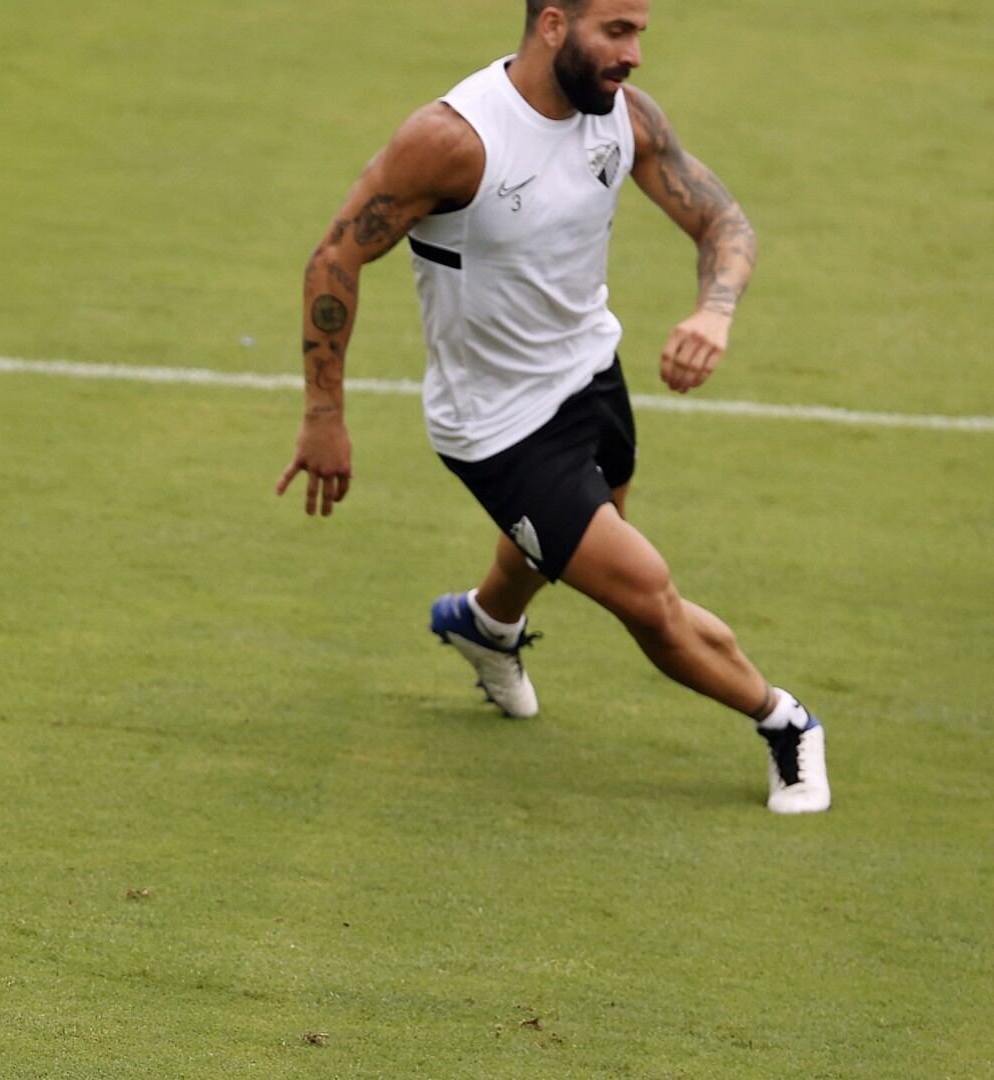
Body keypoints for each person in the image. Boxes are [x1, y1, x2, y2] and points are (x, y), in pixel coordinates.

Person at [275, 0, 828, 813]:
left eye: (640, 33)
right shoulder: (454, 139)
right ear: (555, 26)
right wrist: (324, 416)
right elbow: (335, 258)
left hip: (592, 379)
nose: (635, 55)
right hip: (498, 427)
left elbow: (722, 218)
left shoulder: (623, 117)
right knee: (643, 590)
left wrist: (715, 312)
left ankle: (485, 626)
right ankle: (787, 722)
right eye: (619, 33)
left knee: (562, 547)